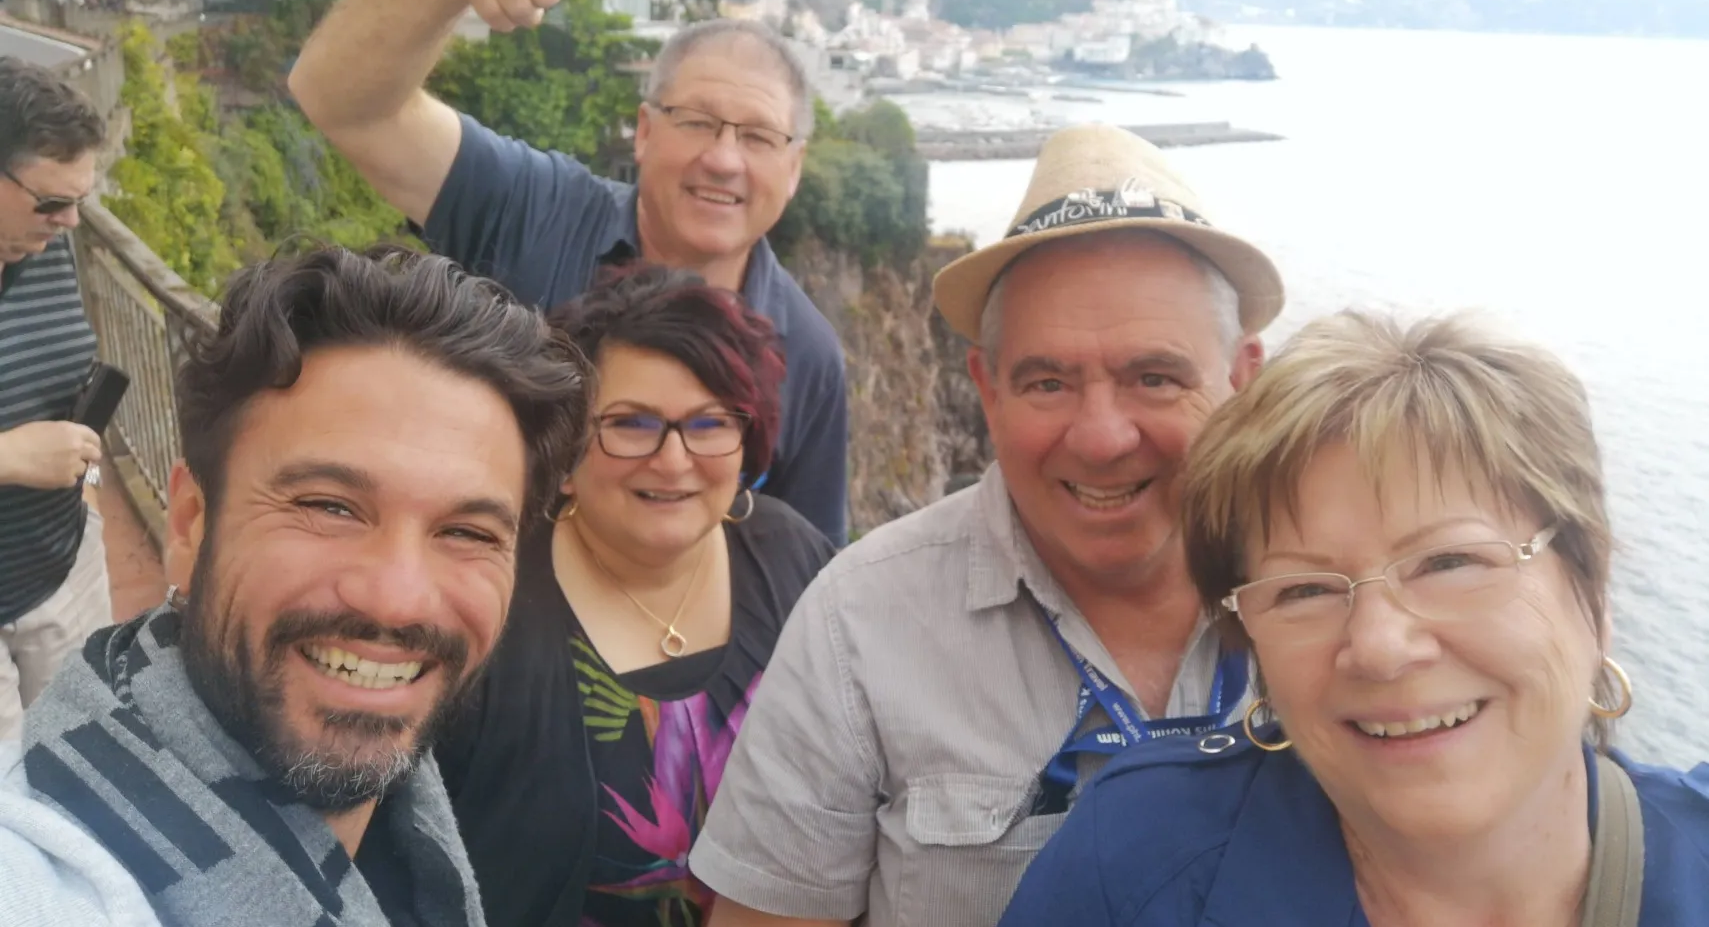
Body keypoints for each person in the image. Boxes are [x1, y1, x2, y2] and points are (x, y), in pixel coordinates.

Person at [691, 123, 1287, 927]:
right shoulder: (860, 624)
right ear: (986, 387)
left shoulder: (1336, 599)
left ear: (1242, 380)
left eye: (1154, 377)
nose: (1101, 437)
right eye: (1047, 383)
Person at [998, 311, 1709, 926]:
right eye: (1303, 590)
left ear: (1591, 585)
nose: (1378, 645)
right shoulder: (1132, 864)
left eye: (1448, 562)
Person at [0, 244, 590, 927]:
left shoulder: (410, 833)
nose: (397, 599)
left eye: (467, 532)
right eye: (329, 507)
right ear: (189, 524)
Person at [286, 0, 850, 546]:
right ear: (644, 132)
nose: (724, 159)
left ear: (794, 169)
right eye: (697, 122)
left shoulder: (808, 354)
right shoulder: (536, 209)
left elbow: (805, 566)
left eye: (758, 137)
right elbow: (339, 98)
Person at [437, 263, 835, 927]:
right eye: (630, 424)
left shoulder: (793, 559)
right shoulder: (488, 598)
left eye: (709, 424)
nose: (673, 460)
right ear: (566, 448)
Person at [0, 55, 111, 742]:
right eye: (50, 202)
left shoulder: (44, 246)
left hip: (65, 568)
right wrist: (9, 457)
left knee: (87, 757)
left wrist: (88, 493)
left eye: (79, 202)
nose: (68, 221)